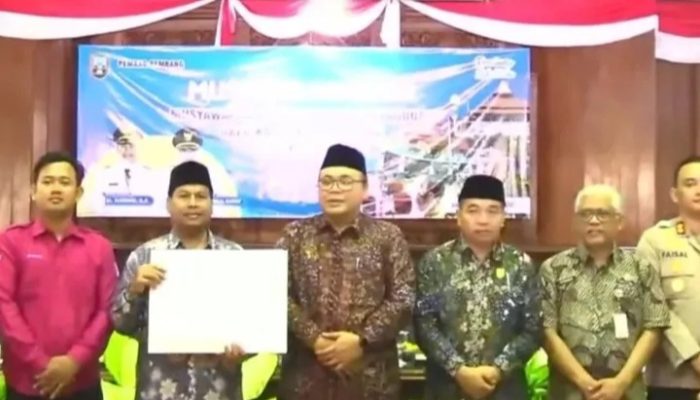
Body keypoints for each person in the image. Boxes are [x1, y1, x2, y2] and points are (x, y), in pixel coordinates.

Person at [276, 143, 415, 400]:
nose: (335, 189)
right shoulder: (294, 235)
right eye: (327, 181)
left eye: (345, 181)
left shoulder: (388, 237)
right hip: (305, 378)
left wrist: (361, 341)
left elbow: (403, 298)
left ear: (365, 188)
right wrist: (315, 339)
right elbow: (274, 293)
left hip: (371, 380)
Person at [111, 161, 246, 400]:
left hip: (219, 389)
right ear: (168, 204)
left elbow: (254, 324)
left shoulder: (236, 257)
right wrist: (135, 290)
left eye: (201, 196)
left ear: (212, 204)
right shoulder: (144, 256)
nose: (193, 203)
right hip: (159, 390)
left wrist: (243, 350)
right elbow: (120, 324)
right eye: (184, 195)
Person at [0, 152, 118, 400]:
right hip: (26, 381)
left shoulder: (99, 247)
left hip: (82, 380)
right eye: (47, 181)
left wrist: (74, 360)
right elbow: (4, 305)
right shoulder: (11, 242)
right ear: (33, 191)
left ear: (78, 193)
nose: (56, 188)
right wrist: (40, 362)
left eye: (64, 182)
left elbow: (107, 310)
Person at [414, 174, 541, 400]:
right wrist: (459, 371)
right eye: (473, 210)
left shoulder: (522, 266)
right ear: (458, 216)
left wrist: (498, 369)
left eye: (493, 211)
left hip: (505, 390)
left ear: (503, 218)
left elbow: (533, 329)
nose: (483, 220)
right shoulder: (434, 263)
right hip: (445, 389)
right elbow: (424, 325)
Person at [540, 184, 670, 400]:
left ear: (619, 221)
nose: (593, 221)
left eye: (602, 213)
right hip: (569, 391)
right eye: (586, 214)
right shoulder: (553, 268)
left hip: (626, 392)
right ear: (575, 222)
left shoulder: (641, 268)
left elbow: (654, 326)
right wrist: (585, 383)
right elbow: (546, 331)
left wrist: (621, 382)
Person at [637, 156, 700, 400]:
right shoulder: (655, 240)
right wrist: (694, 357)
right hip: (672, 380)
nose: (698, 190)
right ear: (675, 194)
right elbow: (653, 306)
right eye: (690, 183)